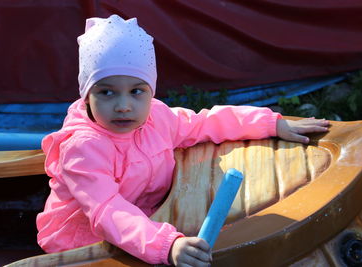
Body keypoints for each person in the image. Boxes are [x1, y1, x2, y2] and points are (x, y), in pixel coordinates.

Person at [36, 14, 329, 267]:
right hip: (83, 243)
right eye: (107, 92)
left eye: (136, 91)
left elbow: (206, 122)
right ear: (86, 94)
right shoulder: (84, 148)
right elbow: (107, 211)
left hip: (147, 222)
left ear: (151, 90)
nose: (124, 105)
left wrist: (270, 123)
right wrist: (166, 245)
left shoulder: (157, 118)